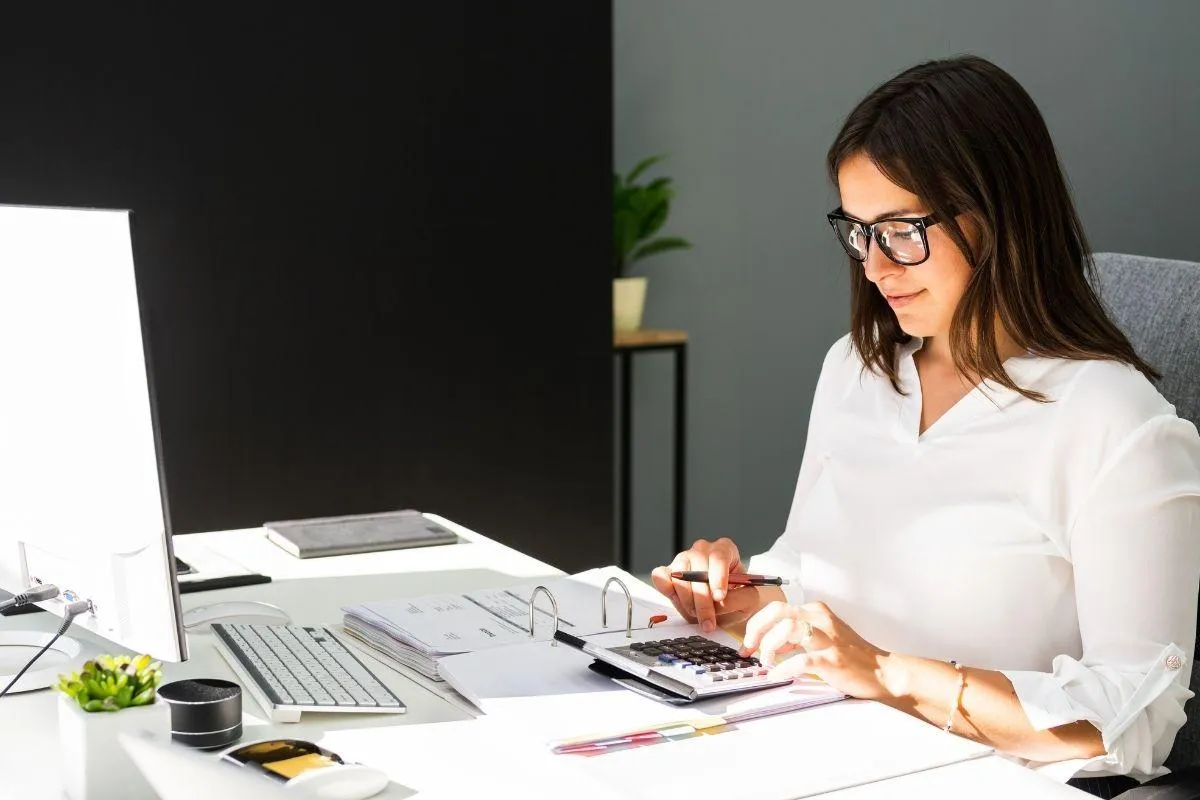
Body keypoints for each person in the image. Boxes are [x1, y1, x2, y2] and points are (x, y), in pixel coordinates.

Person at [652, 55, 1200, 799]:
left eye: (904, 230)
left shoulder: (1115, 422)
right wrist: (742, 590)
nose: (876, 267)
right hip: (817, 743)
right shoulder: (857, 367)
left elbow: (1134, 721)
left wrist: (883, 673)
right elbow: (816, 574)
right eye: (858, 231)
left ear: (1000, 216)